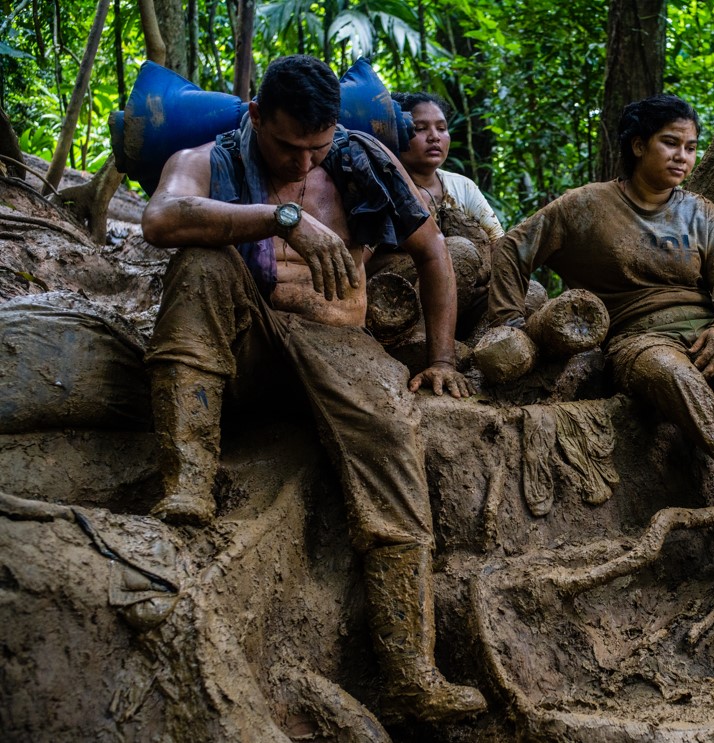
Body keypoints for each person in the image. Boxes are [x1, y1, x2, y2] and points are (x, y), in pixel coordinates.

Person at [140, 55, 485, 723]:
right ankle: (187, 481)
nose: (302, 165)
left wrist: (442, 356)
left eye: (316, 149)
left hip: (339, 347)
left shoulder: (362, 159)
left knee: (391, 438)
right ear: (255, 116)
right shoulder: (205, 156)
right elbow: (160, 219)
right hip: (245, 348)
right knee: (202, 262)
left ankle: (410, 671)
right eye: (285, 145)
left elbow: (433, 252)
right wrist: (281, 219)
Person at [488, 94, 714, 560]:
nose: (683, 156)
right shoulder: (584, 206)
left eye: (690, 146)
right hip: (638, 340)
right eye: (671, 143)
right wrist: (510, 325)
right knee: (673, 375)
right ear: (638, 145)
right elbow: (511, 249)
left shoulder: (701, 213)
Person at [391, 92, 504, 242]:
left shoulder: (463, 187)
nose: (434, 136)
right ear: (396, 135)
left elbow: (497, 241)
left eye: (441, 128)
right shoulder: (384, 187)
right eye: (420, 128)